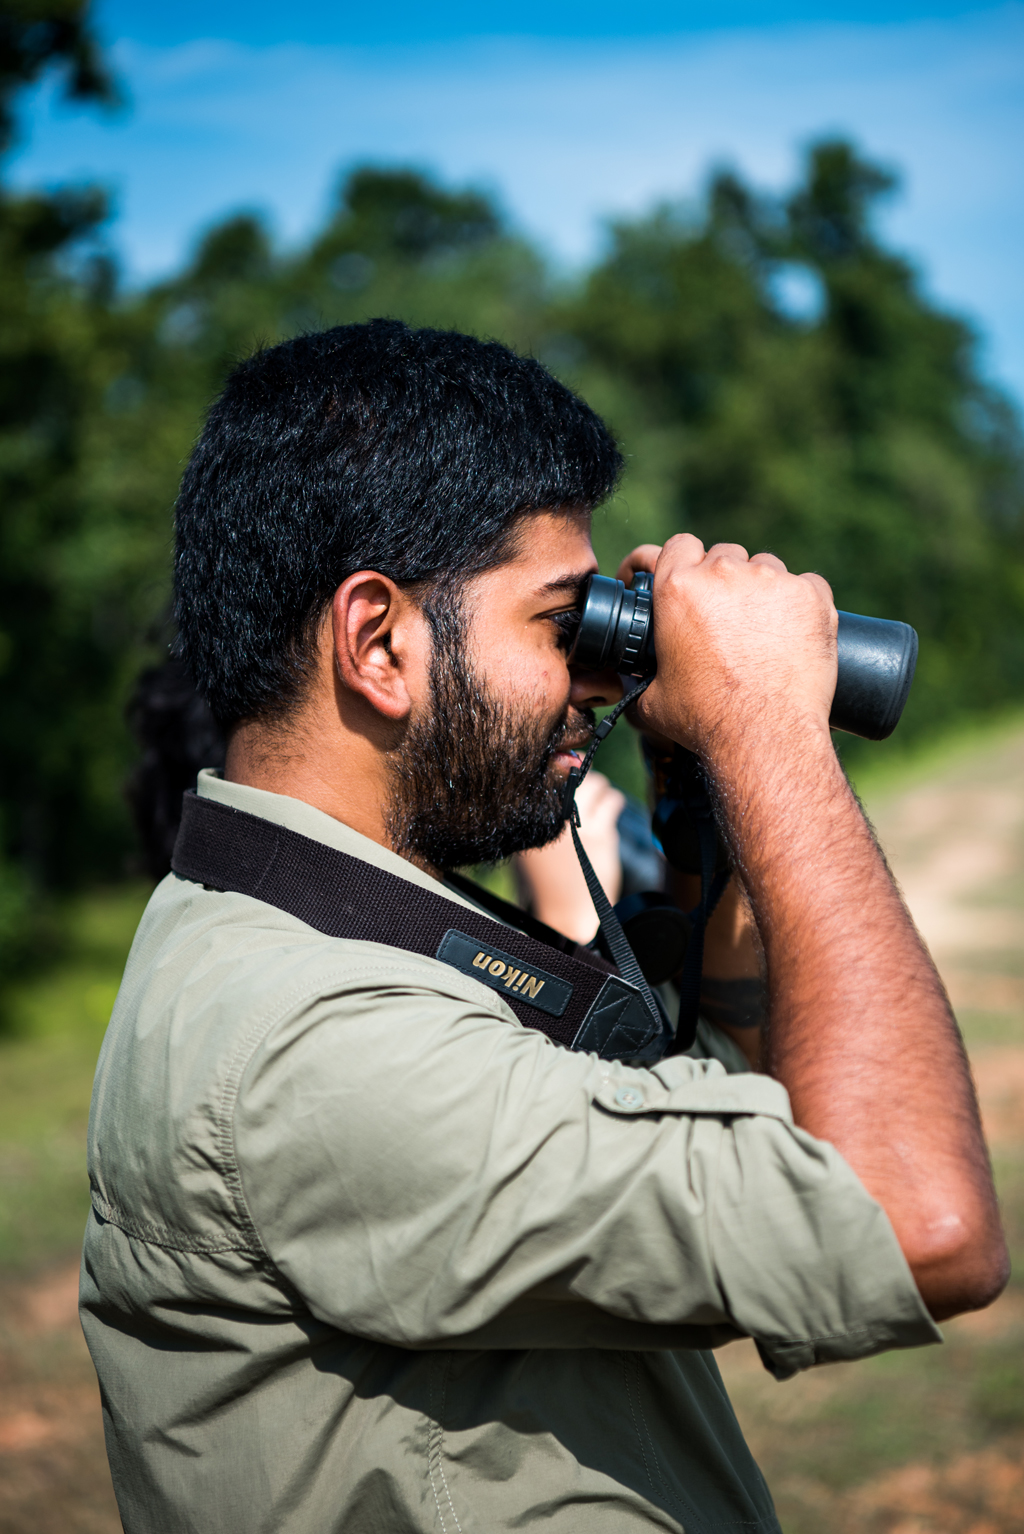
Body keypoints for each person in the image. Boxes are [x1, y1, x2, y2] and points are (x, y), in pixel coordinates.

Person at [81, 320, 1007, 1534]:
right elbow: (912, 1219)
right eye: (558, 623)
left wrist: (706, 814)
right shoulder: (310, 1043)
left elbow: (743, 1120)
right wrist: (772, 732)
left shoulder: (306, 931)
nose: (598, 676)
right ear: (379, 642)